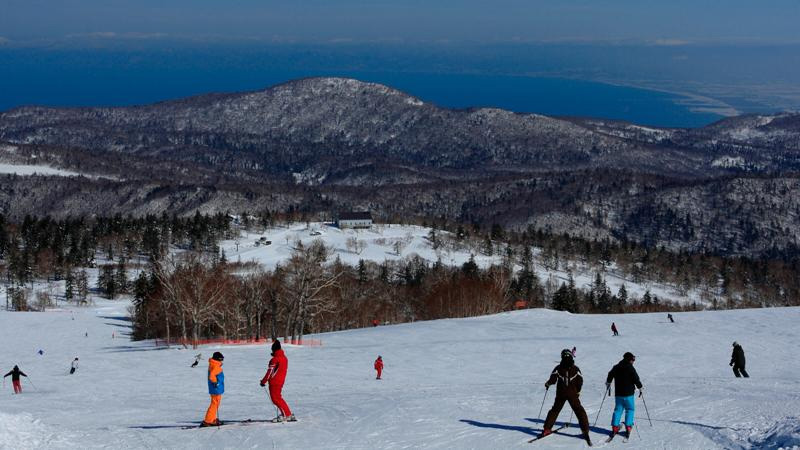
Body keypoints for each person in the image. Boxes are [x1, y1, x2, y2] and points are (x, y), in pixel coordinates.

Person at [540, 349, 592, 446]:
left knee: (555, 410)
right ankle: (585, 430)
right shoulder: (576, 368)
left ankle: (547, 429)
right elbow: (580, 381)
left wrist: (548, 384)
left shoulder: (558, 368)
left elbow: (553, 379)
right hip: (573, 394)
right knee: (579, 410)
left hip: (561, 393)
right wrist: (578, 391)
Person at [606, 352, 644, 440]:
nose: (633, 361)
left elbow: (610, 374)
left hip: (618, 395)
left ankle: (615, 427)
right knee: (630, 409)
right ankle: (628, 426)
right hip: (629, 395)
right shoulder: (630, 368)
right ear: (629, 360)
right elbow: (636, 379)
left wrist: (608, 382)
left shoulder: (616, 367)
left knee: (618, 410)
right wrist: (640, 387)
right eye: (632, 360)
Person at [260, 340, 296, 422]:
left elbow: (269, 372)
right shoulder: (284, 358)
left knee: (275, 399)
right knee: (278, 398)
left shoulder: (275, 359)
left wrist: (263, 381)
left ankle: (286, 415)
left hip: (274, 382)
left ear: (274, 349)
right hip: (280, 381)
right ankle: (287, 414)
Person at [201, 352, 225, 427]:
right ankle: (208, 420)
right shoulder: (216, 366)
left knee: (215, 403)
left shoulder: (213, 364)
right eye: (221, 360)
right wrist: (216, 383)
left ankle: (212, 419)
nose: (222, 361)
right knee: (214, 404)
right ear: (218, 359)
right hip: (216, 388)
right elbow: (211, 376)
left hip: (214, 388)